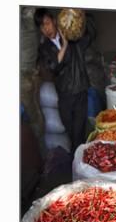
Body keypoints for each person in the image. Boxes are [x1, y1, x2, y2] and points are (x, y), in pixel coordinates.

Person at [34, 8, 95, 153]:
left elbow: (91, 34)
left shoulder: (74, 39)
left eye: (47, 23)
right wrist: (65, 45)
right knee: (70, 131)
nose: (46, 29)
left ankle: (77, 166)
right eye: (42, 26)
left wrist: (82, 16)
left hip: (80, 91)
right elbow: (53, 66)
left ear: (55, 21)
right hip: (65, 97)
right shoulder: (44, 48)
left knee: (78, 133)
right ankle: (77, 163)